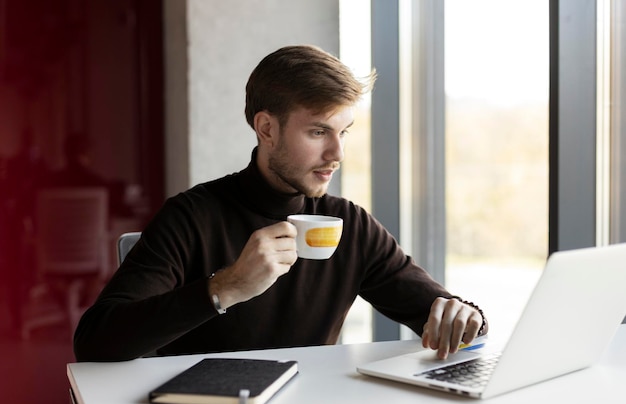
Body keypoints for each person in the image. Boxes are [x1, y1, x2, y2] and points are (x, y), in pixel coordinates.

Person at [73, 45, 488, 362]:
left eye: (344, 132)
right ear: (267, 128)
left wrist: (464, 318)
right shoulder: (191, 216)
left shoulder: (350, 225)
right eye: (318, 132)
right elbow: (95, 341)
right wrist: (226, 287)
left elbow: (435, 310)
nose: (337, 153)